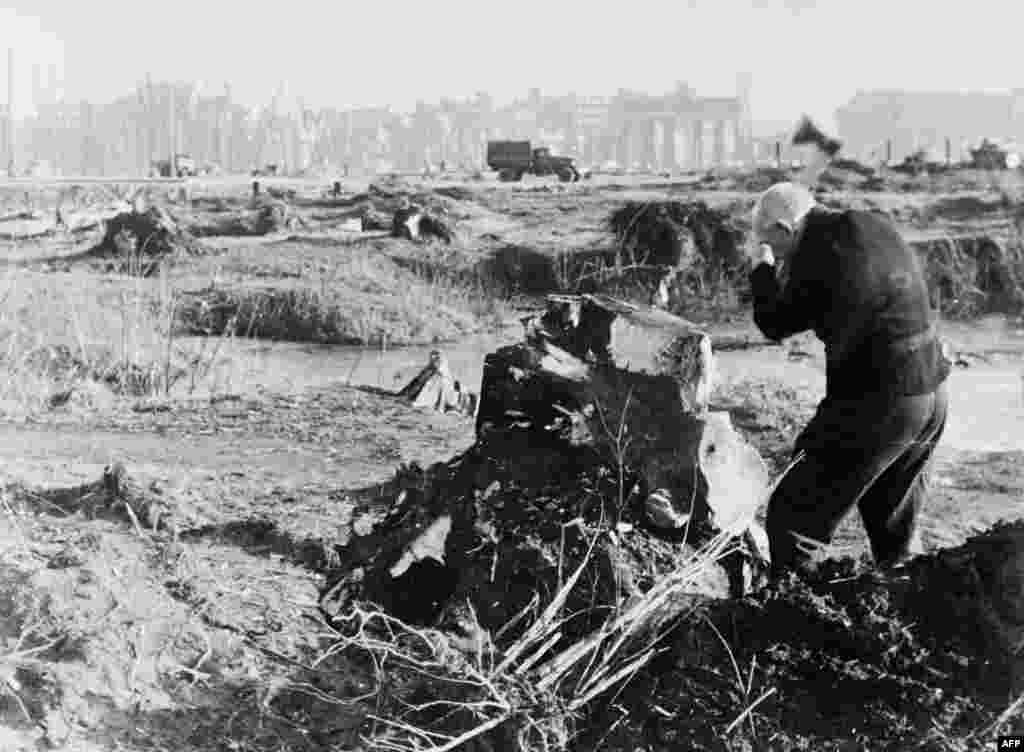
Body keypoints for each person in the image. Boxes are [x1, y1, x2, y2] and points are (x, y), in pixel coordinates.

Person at [748, 182, 952, 577]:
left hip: (885, 398)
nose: (773, 249)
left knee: (792, 516)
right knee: (891, 524)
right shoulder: (871, 223)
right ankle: (909, 612)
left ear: (785, 230)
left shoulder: (818, 257)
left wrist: (762, 269)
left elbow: (773, 323)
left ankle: (794, 622)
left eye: (771, 241)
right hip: (931, 391)